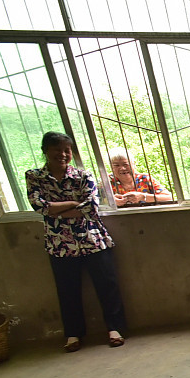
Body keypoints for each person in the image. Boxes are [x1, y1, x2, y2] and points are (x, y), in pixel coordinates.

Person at [25, 131, 128, 352]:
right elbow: (39, 206)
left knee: (107, 286)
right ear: (45, 151)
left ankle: (115, 329)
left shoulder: (84, 176)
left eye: (67, 150)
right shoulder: (34, 176)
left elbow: (91, 207)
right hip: (60, 244)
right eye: (57, 150)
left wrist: (56, 211)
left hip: (92, 239)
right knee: (67, 290)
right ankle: (73, 334)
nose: (62, 154)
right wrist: (72, 203)